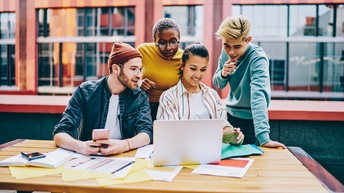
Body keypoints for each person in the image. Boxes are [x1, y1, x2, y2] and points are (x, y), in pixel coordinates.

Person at [53, 42, 153, 156]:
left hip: (123, 157)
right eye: (133, 69)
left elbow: (146, 133)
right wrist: (81, 147)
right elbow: (60, 133)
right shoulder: (85, 92)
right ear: (116, 68)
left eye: (140, 69)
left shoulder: (139, 96)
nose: (139, 75)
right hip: (88, 159)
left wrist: (124, 145)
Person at [212, 16, 286, 148]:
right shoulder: (226, 53)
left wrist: (264, 138)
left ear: (248, 40)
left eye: (237, 46)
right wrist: (223, 74)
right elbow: (218, 84)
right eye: (226, 45)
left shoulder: (257, 59)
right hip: (228, 117)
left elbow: (259, 96)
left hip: (250, 121)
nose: (231, 52)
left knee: (247, 164)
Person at [157, 43, 244, 145]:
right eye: (193, 68)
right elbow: (171, 133)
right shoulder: (168, 97)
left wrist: (233, 136)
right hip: (182, 155)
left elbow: (223, 125)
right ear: (182, 65)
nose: (198, 75)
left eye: (203, 69)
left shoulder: (212, 95)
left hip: (210, 154)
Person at [137, 18, 184, 121]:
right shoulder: (143, 51)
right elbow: (128, 76)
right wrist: (139, 82)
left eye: (173, 42)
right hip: (143, 107)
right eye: (162, 43)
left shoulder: (183, 57)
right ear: (154, 40)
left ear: (179, 38)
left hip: (172, 109)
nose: (168, 48)